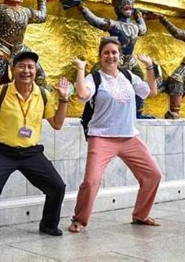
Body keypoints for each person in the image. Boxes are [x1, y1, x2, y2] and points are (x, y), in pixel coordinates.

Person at [69, 36, 162, 233]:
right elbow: (82, 95)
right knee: (91, 181)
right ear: (100, 56)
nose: (110, 56)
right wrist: (80, 69)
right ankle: (79, 219)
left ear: (119, 56)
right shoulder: (94, 77)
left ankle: (141, 215)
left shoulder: (128, 76)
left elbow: (151, 91)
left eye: (114, 53)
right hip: (102, 137)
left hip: (129, 137)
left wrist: (150, 67)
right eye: (106, 53)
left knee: (153, 175)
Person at [0, 51, 69, 241]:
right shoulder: (1, 92)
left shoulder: (42, 94)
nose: (26, 70)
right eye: (22, 66)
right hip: (4, 151)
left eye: (30, 67)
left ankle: (48, 224)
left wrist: (64, 98)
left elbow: (57, 124)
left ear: (35, 71)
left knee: (57, 186)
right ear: (13, 69)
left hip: (31, 153)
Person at [61, 0, 155, 119]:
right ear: (117, 6)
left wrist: (139, 15)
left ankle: (137, 112)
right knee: (98, 80)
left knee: (138, 84)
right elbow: (95, 21)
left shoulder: (134, 26)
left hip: (130, 60)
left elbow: (143, 29)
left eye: (130, 4)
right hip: (113, 64)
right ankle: (94, 109)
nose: (128, 6)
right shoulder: (114, 24)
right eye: (125, 3)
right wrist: (81, 6)